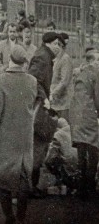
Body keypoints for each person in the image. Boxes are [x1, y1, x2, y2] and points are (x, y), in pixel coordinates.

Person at [0, 45, 37, 224]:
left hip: (5, 138)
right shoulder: (32, 81)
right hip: (24, 137)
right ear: (23, 62)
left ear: (10, 60)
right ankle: (21, 217)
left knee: (2, 178)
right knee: (23, 177)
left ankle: (9, 218)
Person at [28, 32, 61, 196]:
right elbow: (33, 79)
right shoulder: (43, 57)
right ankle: (30, 187)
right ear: (49, 43)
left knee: (38, 144)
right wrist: (44, 98)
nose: (58, 48)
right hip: (38, 106)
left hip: (39, 104)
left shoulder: (44, 56)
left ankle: (30, 185)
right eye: (57, 44)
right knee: (37, 144)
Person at [69, 49, 99, 199]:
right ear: (92, 60)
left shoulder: (79, 72)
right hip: (89, 114)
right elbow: (98, 96)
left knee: (81, 150)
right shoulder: (95, 72)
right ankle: (90, 186)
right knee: (94, 149)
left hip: (76, 114)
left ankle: (81, 187)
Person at [50, 33, 73, 122]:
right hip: (55, 101)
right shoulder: (55, 58)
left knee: (63, 127)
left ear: (61, 46)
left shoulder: (65, 59)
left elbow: (64, 82)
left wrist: (53, 94)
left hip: (63, 102)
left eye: (57, 44)